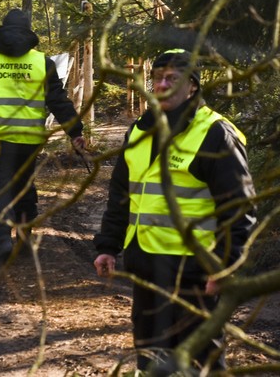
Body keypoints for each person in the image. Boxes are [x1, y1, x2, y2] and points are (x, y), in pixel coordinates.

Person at [93, 49, 256, 372]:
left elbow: (239, 208)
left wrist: (224, 266)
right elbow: (121, 196)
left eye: (172, 78)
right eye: (157, 78)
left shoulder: (215, 134)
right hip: (145, 265)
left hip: (192, 271)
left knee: (198, 361)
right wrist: (108, 246)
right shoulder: (139, 130)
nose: (162, 85)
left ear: (192, 86)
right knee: (149, 357)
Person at [0, 8, 85, 266]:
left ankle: (3, 240)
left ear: (1, 29)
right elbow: (58, 101)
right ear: (28, 32)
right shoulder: (42, 63)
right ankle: (25, 237)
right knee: (24, 185)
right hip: (29, 139)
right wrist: (75, 131)